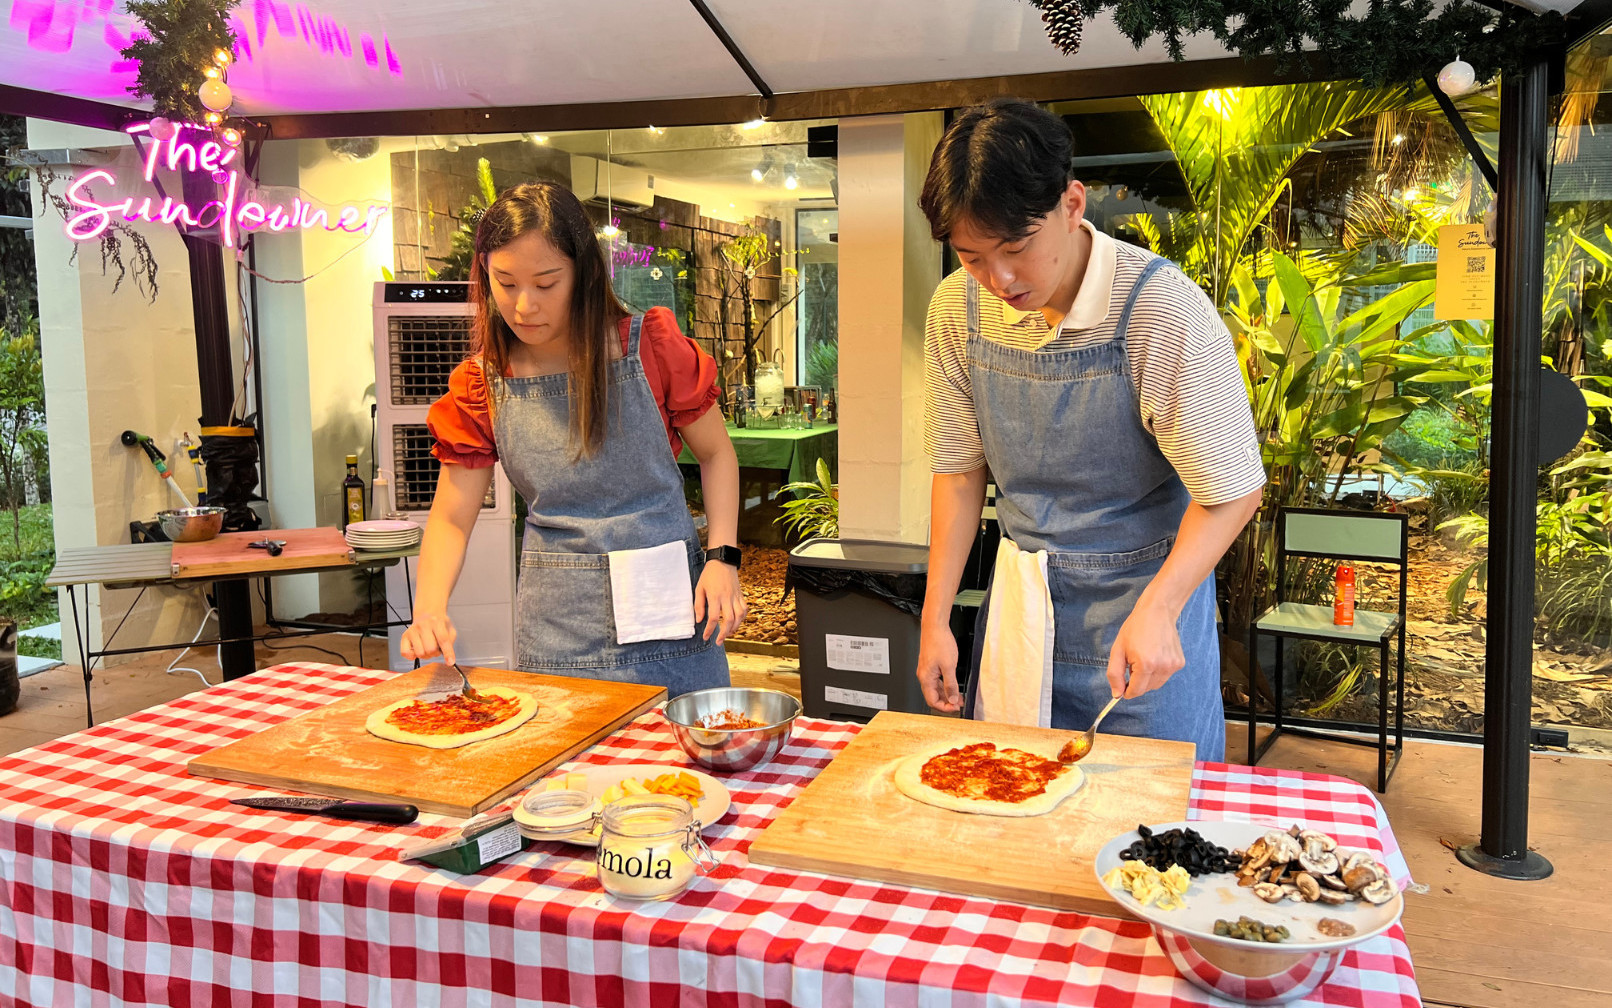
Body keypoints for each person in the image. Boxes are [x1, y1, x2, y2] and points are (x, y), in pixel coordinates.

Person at [914, 99, 1265, 760]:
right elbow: (959, 471)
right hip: (1023, 614)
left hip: (1147, 618)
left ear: (1072, 204)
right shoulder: (954, 311)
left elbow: (1233, 489)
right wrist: (935, 619)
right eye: (972, 257)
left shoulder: (1160, 309)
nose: (1000, 279)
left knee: (1153, 834)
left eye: (1016, 249)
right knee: (1016, 805)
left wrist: (1162, 608)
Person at [401, 181, 746, 697]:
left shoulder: (649, 347)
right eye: (505, 282)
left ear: (583, 274)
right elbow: (452, 514)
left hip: (670, 614)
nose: (523, 306)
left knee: (681, 770)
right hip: (557, 626)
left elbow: (718, 453)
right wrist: (428, 608)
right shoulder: (482, 383)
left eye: (546, 283)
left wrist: (723, 558)